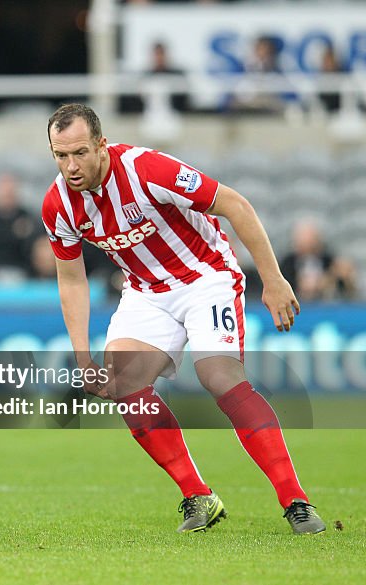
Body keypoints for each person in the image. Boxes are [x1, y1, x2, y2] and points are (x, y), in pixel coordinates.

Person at [41, 103, 325, 534]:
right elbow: (71, 280)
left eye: (79, 153)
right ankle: (198, 495)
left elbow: (235, 205)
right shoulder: (58, 205)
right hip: (146, 292)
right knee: (123, 384)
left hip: (205, 276)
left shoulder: (148, 170)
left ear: (102, 144)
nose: (70, 167)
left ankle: (295, 500)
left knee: (220, 379)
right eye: (60, 156)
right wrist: (83, 356)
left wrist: (273, 279)